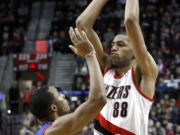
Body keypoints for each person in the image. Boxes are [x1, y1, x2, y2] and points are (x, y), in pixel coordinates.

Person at [76, 0, 158, 134]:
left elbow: (130, 21)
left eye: (120, 44)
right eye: (113, 44)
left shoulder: (142, 71)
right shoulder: (105, 67)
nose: (114, 48)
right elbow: (82, 25)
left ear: (134, 52)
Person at [30, 28, 107, 135]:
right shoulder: (53, 130)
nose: (63, 95)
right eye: (59, 94)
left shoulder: (44, 131)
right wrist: (90, 55)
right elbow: (99, 99)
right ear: (53, 107)